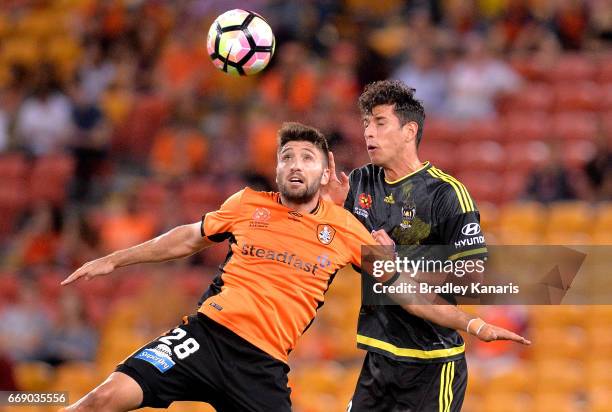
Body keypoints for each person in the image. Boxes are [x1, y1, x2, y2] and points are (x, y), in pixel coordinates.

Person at [60, 122, 528, 412]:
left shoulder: (347, 230)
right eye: (287, 157)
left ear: (326, 173)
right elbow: (186, 237)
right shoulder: (246, 204)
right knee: (103, 399)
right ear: (278, 170)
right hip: (203, 337)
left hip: (263, 367)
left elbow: (410, 294)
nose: (296, 165)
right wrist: (113, 259)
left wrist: (473, 322)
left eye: (308, 157)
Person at [323, 80, 500, 412]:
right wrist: (330, 210)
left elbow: (474, 276)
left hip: (432, 363)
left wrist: (400, 261)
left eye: (379, 122)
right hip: (380, 357)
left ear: (409, 131)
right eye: (365, 124)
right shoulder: (360, 182)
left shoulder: (446, 194)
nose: (368, 133)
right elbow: (350, 249)